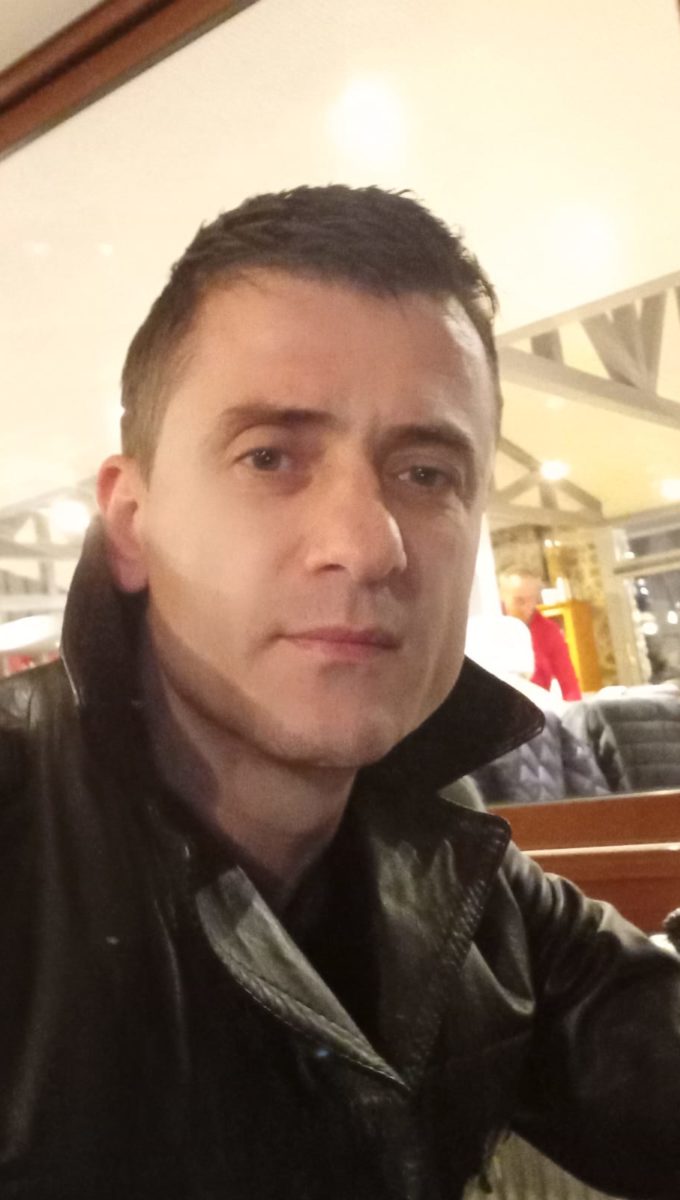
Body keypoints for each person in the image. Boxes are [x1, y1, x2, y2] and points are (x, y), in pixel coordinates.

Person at [1, 185, 679, 1200]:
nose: (367, 544)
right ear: (132, 522)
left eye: (426, 472)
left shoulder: (455, 876)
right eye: (270, 456)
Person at [499, 565, 582, 700]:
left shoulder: (549, 631)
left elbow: (569, 685)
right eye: (519, 601)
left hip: (538, 706)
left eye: (532, 599)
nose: (527, 607)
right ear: (503, 597)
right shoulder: (491, 628)